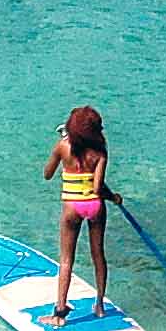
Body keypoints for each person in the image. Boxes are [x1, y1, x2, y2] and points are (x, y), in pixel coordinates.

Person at [45, 105, 115, 317]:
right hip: (95, 206)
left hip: (71, 207)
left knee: (66, 259)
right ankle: (100, 306)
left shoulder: (62, 147)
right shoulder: (100, 152)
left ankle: (59, 312)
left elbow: (47, 174)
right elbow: (97, 187)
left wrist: (59, 157)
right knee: (98, 255)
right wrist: (114, 197)